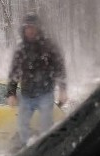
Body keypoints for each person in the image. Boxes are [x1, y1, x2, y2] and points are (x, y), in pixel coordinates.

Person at [7, 13, 68, 148]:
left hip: (45, 93)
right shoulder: (21, 49)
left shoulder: (48, 46)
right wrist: (11, 93)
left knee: (46, 124)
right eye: (27, 27)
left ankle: (46, 148)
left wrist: (63, 90)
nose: (30, 30)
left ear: (38, 28)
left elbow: (60, 68)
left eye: (32, 27)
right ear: (23, 30)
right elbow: (14, 72)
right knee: (22, 125)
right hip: (26, 94)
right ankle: (27, 148)